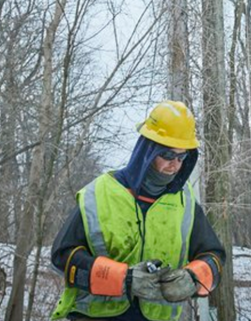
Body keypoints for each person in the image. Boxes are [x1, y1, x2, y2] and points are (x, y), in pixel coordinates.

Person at [50, 101, 225, 321]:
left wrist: (192, 277)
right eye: (168, 155)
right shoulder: (100, 193)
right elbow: (62, 257)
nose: (175, 165)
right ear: (148, 151)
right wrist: (124, 279)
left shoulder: (185, 201)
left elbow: (214, 256)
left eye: (182, 157)